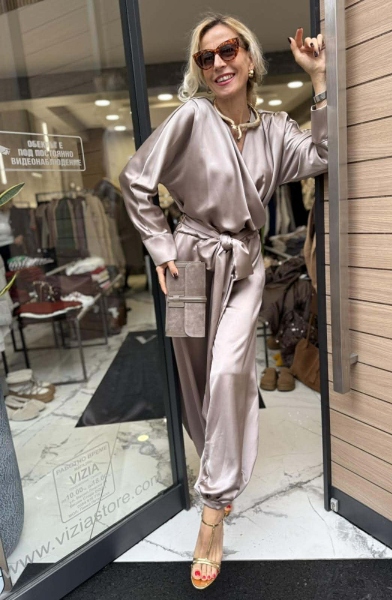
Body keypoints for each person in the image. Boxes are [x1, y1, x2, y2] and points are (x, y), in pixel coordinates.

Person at [119, 13, 327, 589]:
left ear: (250, 57)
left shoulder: (276, 130)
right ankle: (219, 463)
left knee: (230, 372)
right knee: (195, 385)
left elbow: (324, 154)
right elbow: (136, 180)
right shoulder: (192, 117)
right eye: (205, 57)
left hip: (242, 264)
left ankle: (212, 513)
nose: (218, 63)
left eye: (228, 49)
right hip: (188, 263)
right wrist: (162, 249)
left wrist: (319, 79)